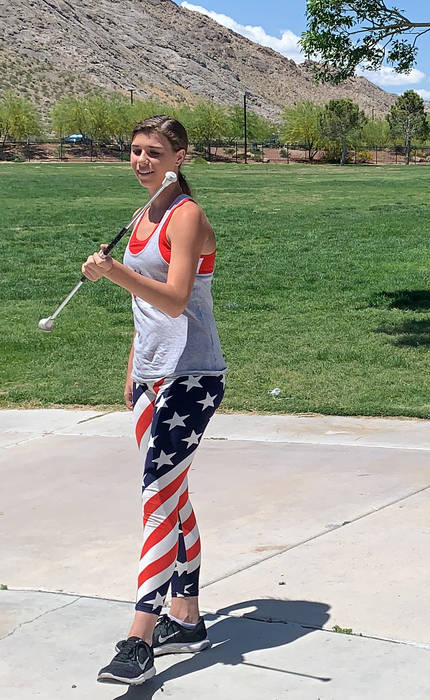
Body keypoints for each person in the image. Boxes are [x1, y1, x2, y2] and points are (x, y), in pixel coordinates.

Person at [82, 115, 227, 685]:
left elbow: (174, 301)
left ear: (181, 156)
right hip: (151, 378)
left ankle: (139, 636)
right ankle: (187, 618)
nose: (142, 161)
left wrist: (114, 271)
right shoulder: (141, 216)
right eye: (136, 152)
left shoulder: (185, 215)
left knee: (156, 501)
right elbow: (144, 316)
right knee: (172, 495)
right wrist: (133, 370)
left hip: (191, 376)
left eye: (154, 152)